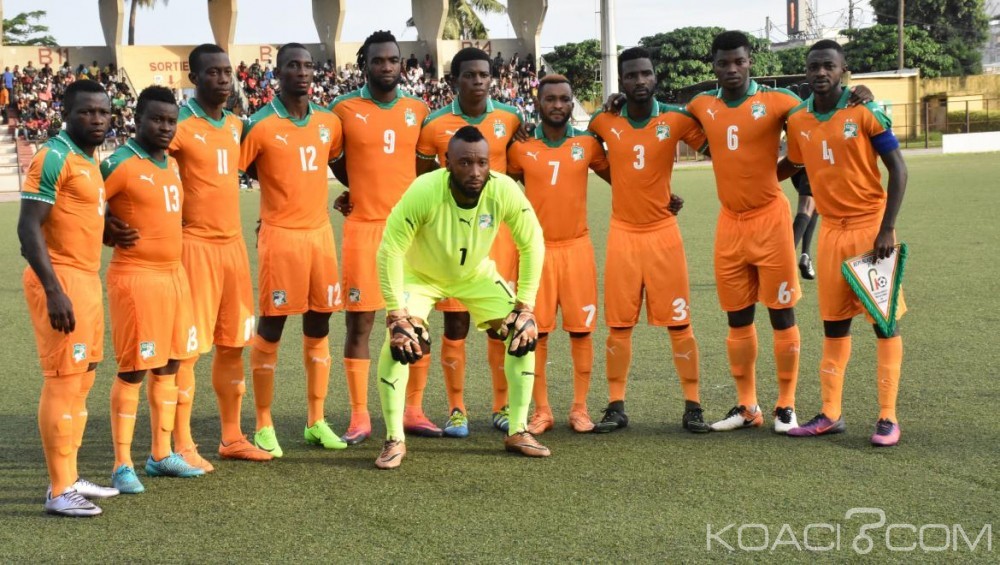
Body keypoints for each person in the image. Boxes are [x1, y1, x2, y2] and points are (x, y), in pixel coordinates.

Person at [373, 125, 546, 469]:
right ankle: (394, 439)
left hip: (475, 276)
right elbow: (390, 250)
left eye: (482, 163)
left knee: (523, 332)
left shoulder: (504, 190)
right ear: (446, 162)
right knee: (399, 341)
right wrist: (396, 313)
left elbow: (533, 242)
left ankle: (518, 430)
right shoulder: (424, 190)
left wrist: (525, 305)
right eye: (465, 163)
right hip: (420, 276)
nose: (475, 171)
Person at [785, 40, 908, 446]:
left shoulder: (864, 110)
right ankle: (830, 413)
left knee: (884, 324)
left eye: (829, 66)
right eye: (814, 66)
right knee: (833, 326)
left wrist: (888, 227)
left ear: (843, 71)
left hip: (871, 230)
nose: (821, 72)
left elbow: (898, 170)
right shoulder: (799, 119)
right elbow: (798, 165)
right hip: (832, 232)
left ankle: (888, 418)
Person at [684, 31, 804, 433]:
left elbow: (820, 115)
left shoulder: (779, 102)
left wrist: (859, 92)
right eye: (723, 63)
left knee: (781, 314)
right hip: (729, 223)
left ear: (751, 62)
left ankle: (785, 405)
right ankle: (747, 406)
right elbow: (664, 116)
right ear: (714, 66)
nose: (732, 69)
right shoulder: (703, 105)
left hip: (770, 220)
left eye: (739, 61)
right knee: (737, 318)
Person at [587, 47, 709, 434]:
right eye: (631, 76)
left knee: (680, 323)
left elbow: (718, 141)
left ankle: (693, 406)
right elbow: (591, 154)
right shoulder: (604, 121)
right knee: (619, 325)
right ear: (620, 81)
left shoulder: (675, 119)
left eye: (646, 74)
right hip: (623, 234)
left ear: (655, 77)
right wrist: (628, 187)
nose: (640, 81)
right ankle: (615, 406)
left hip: (663, 235)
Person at [18, 79, 121, 517]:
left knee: (84, 376)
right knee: (63, 378)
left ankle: (70, 474)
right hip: (61, 281)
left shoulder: (89, 159)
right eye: (86, 112)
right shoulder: (54, 155)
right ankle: (59, 490)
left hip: (86, 278)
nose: (96, 119)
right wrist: (54, 289)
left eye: (102, 112)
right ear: (66, 113)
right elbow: (28, 229)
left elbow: (78, 215)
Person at [239, 43, 347, 457]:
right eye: (292, 66)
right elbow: (243, 167)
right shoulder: (261, 124)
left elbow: (336, 160)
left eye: (307, 66)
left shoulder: (328, 121)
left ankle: (315, 421)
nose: (302, 72)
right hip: (280, 238)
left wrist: (351, 193)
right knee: (272, 327)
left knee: (320, 324)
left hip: (320, 235)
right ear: (277, 73)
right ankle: (264, 424)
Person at [329, 31, 436, 444]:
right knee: (361, 324)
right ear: (365, 65)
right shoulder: (344, 109)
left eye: (394, 60)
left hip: (412, 233)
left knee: (418, 324)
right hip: (365, 230)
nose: (387, 66)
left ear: (402, 65)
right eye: (379, 60)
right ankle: (360, 417)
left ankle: (414, 410)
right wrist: (354, 188)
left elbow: (424, 165)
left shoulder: (418, 109)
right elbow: (336, 159)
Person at [168, 44, 272, 465]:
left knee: (234, 344)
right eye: (213, 72)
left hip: (233, 248)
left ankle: (231, 437)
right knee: (189, 349)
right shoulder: (176, 125)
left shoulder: (235, 125)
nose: (223, 79)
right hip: (194, 247)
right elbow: (143, 167)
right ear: (194, 78)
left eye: (227, 71)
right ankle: (182, 443)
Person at [102, 85, 206, 495]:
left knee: (171, 364)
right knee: (133, 369)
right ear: (137, 120)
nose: (165, 127)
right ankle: (121, 463)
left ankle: (161, 455)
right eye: (156, 120)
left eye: (170, 121)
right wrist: (105, 224)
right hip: (136, 276)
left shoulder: (171, 165)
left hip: (174, 276)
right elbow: (77, 202)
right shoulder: (120, 163)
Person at [416, 47, 524, 437]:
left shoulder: (511, 119)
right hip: (453, 242)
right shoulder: (434, 125)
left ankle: (501, 406)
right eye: (470, 75)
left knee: (500, 323)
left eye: (484, 74)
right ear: (454, 80)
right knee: (456, 321)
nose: (478, 81)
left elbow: (519, 174)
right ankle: (457, 409)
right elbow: (423, 180)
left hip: (496, 238)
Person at [506, 74, 612, 434]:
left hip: (577, 248)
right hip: (536, 252)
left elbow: (622, 177)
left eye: (564, 99)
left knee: (581, 332)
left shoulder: (588, 145)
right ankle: (542, 411)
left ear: (571, 103)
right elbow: (503, 183)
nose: (557, 105)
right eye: (549, 99)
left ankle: (579, 409)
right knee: (537, 332)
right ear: (538, 103)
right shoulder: (520, 147)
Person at [790, 82, 818, 281]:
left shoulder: (792, 113)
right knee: (807, 207)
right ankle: (785, 257)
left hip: (794, 165)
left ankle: (806, 255)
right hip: (811, 163)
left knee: (814, 208)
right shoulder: (813, 113)